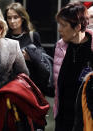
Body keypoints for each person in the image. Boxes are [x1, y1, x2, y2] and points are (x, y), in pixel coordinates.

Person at [54, 2, 93, 131]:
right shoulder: (61, 47)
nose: (59, 29)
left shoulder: (91, 49)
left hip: (87, 121)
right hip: (64, 120)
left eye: (64, 25)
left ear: (77, 27)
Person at [4, 2, 51, 98]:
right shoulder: (4, 38)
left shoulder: (32, 36)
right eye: (9, 18)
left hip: (30, 86)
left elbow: (41, 61)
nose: (12, 21)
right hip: (10, 86)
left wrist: (31, 58)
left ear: (22, 18)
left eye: (15, 17)